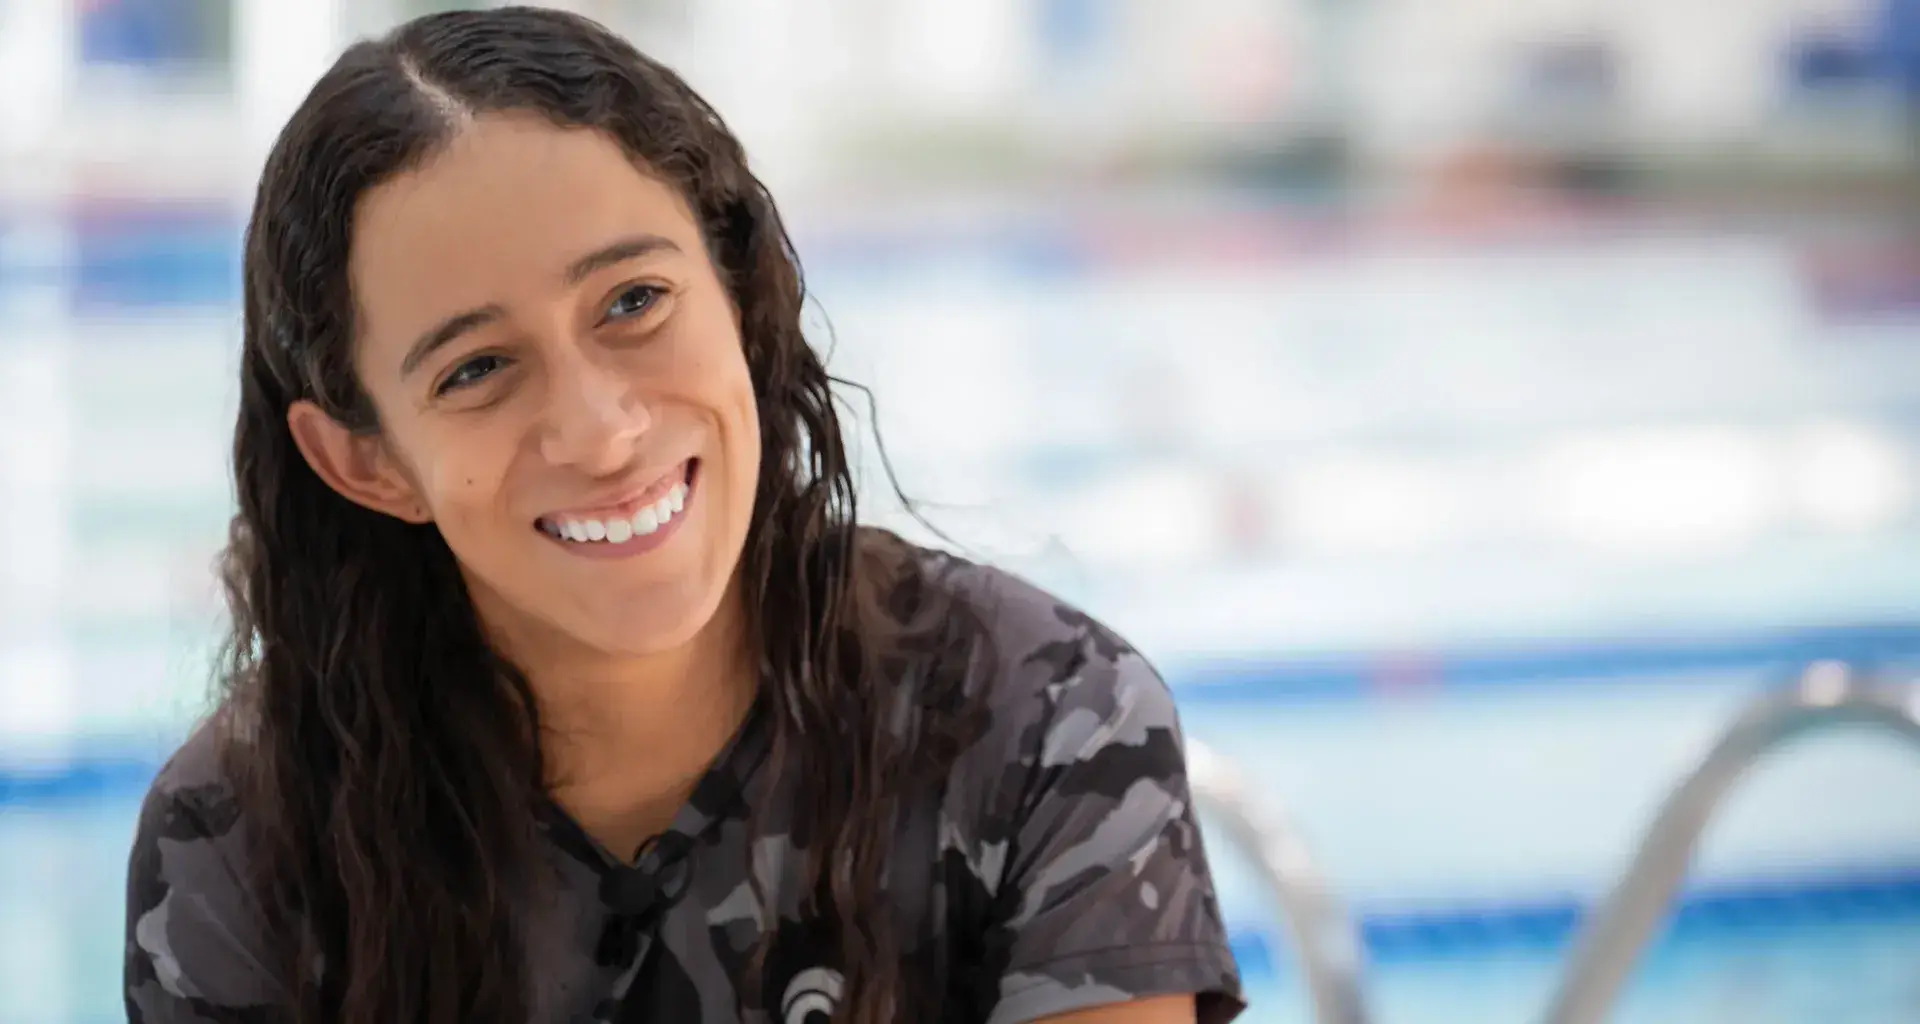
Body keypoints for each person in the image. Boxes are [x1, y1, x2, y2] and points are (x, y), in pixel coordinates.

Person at [122, 8, 1244, 1024]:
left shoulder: (1042, 722)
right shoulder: (244, 841)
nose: (601, 432)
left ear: (738, 291)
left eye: (633, 301)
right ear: (368, 463)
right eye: (476, 369)